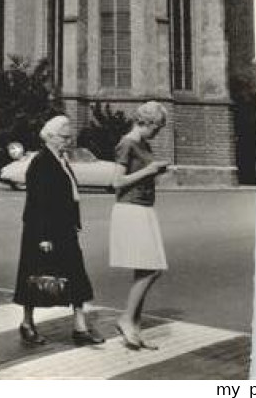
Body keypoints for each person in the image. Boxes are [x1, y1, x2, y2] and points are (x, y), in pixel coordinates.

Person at [13, 115, 104, 347]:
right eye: (64, 137)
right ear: (51, 138)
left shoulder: (60, 159)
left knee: (76, 275)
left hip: (64, 228)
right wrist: (43, 236)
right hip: (42, 231)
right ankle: (26, 323)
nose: (68, 141)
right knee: (34, 277)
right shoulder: (41, 162)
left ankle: (80, 328)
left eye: (69, 137)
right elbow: (38, 202)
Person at [110, 100, 169, 350]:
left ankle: (134, 326)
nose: (157, 133)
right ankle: (126, 319)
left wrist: (154, 172)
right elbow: (117, 182)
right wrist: (149, 171)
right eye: (157, 127)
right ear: (147, 122)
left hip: (143, 207)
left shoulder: (142, 144)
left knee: (145, 268)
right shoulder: (127, 143)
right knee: (152, 268)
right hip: (131, 209)